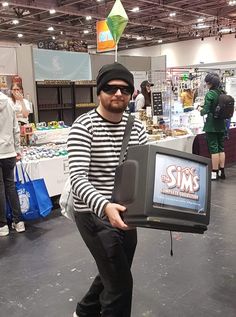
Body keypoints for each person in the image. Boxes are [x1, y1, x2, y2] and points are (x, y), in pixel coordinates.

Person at [67, 62, 147, 317]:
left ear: (131, 93)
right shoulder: (83, 126)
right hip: (92, 214)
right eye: (111, 88)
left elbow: (145, 172)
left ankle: (86, 310)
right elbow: (78, 179)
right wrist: (104, 206)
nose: (118, 94)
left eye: (125, 89)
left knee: (115, 271)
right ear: (99, 92)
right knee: (121, 285)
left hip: (126, 212)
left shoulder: (137, 127)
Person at [0, 92, 25, 236]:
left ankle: (2, 226)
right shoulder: (9, 102)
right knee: (10, 186)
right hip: (9, 152)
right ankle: (19, 221)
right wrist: (17, 149)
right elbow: (16, 129)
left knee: (1, 188)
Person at [198, 73, 226, 180]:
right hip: (222, 125)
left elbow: (205, 110)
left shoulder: (210, 94)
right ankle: (222, 172)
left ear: (210, 83)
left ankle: (214, 173)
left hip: (212, 125)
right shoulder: (223, 92)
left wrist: (200, 109)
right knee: (221, 148)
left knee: (214, 149)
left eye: (207, 83)